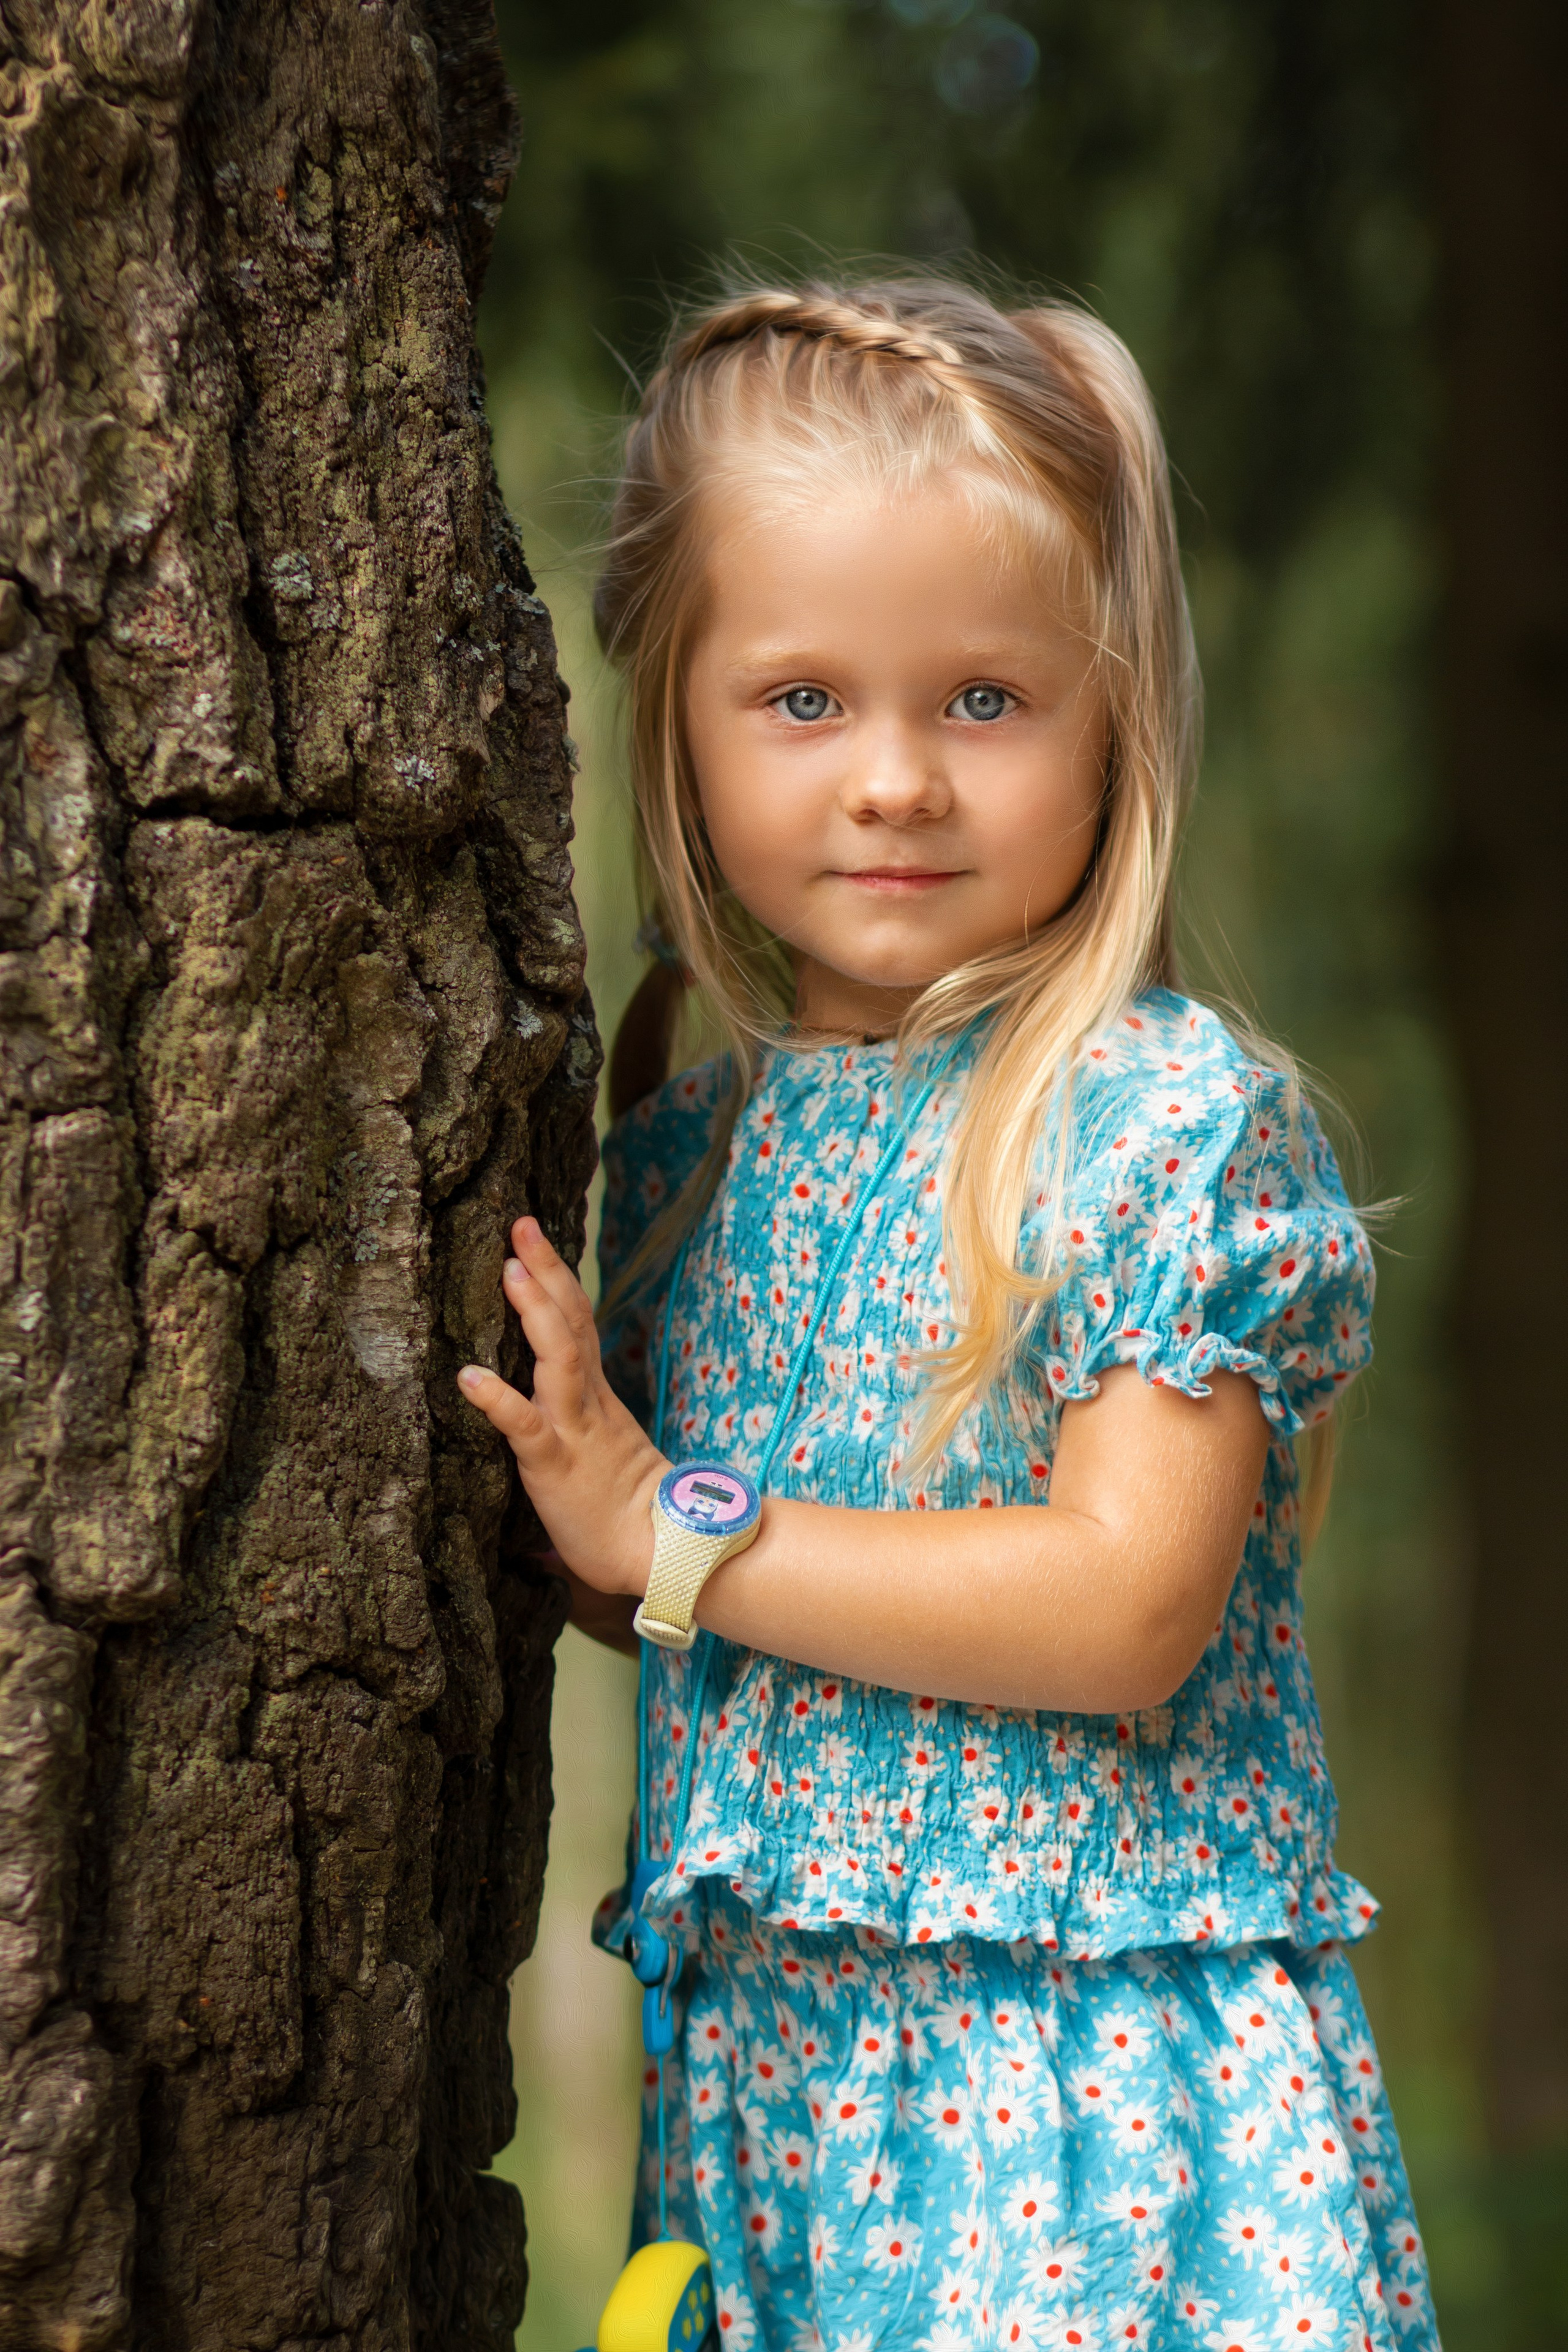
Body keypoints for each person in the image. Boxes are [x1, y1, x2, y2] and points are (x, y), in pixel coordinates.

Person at [458, 278, 1437, 2351]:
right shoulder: (682, 1160)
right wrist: (585, 1529)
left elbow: (1123, 1602)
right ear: (679, 720)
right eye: (804, 699)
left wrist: (677, 1539)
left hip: (1098, 2144)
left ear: (1116, 722)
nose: (895, 778)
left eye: (985, 701)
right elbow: (681, 1568)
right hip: (785, 2126)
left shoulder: (1154, 1125)